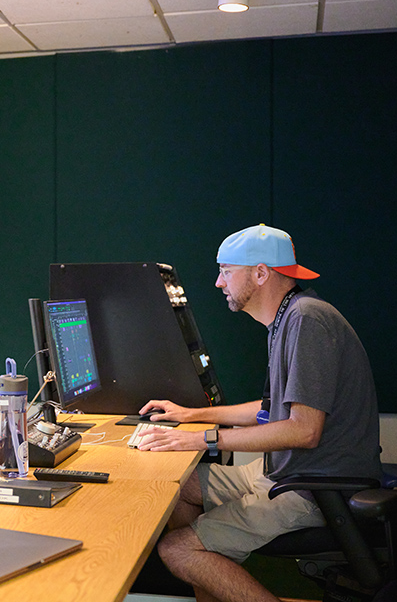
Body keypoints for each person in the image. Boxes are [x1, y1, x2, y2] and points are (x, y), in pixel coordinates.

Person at [136, 224, 382, 602]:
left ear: (261, 273)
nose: (219, 283)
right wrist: (192, 415)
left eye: (226, 271)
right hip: (282, 470)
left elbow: (303, 431)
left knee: (177, 550)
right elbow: (270, 412)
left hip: (311, 488)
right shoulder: (284, 320)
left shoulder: (307, 320)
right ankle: (213, 564)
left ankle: (203, 551)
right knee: (178, 487)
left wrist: (201, 438)